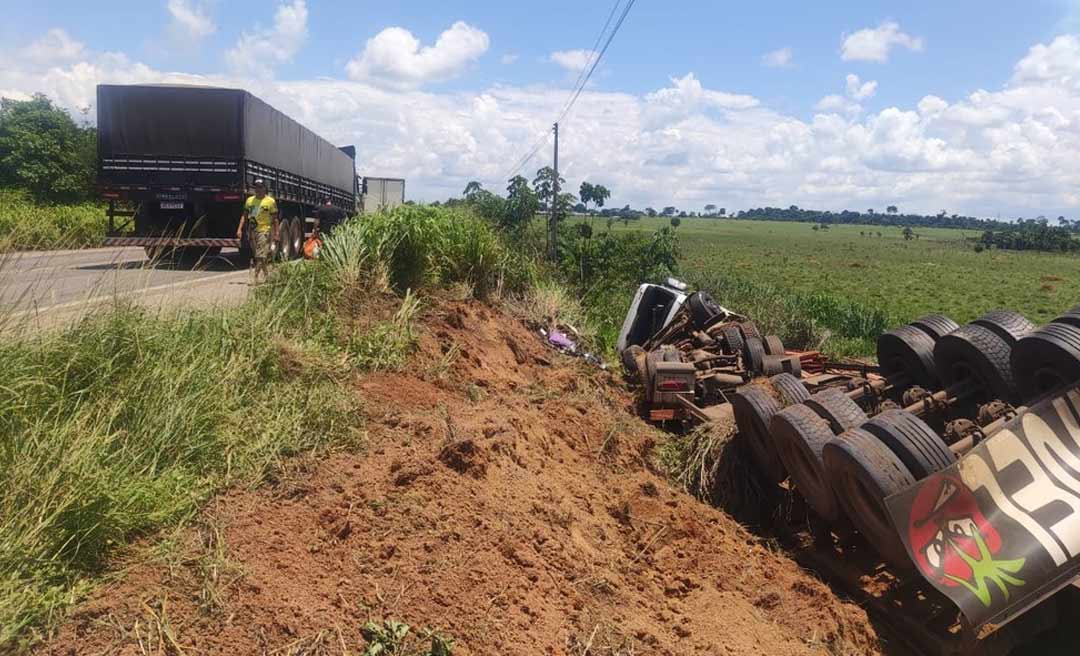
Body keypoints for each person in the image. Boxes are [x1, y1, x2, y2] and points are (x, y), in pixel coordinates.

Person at [236, 179, 279, 283]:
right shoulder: (250, 200)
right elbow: (244, 216)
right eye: (256, 187)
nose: (258, 189)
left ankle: (255, 278)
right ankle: (267, 276)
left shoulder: (270, 201)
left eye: (260, 187)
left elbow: (275, 219)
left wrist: (277, 233)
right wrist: (239, 229)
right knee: (259, 255)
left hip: (264, 231)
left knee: (260, 256)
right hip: (252, 231)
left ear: (265, 188)